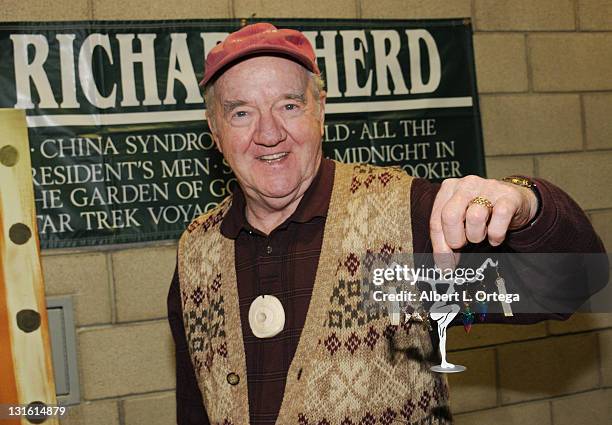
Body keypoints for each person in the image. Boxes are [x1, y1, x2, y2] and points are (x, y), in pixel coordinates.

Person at [167, 23, 607, 425]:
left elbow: (572, 281)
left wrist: (527, 202)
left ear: (320, 110)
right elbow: (194, 407)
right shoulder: (198, 251)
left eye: (289, 104)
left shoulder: (403, 220)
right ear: (215, 130)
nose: (268, 132)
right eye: (241, 112)